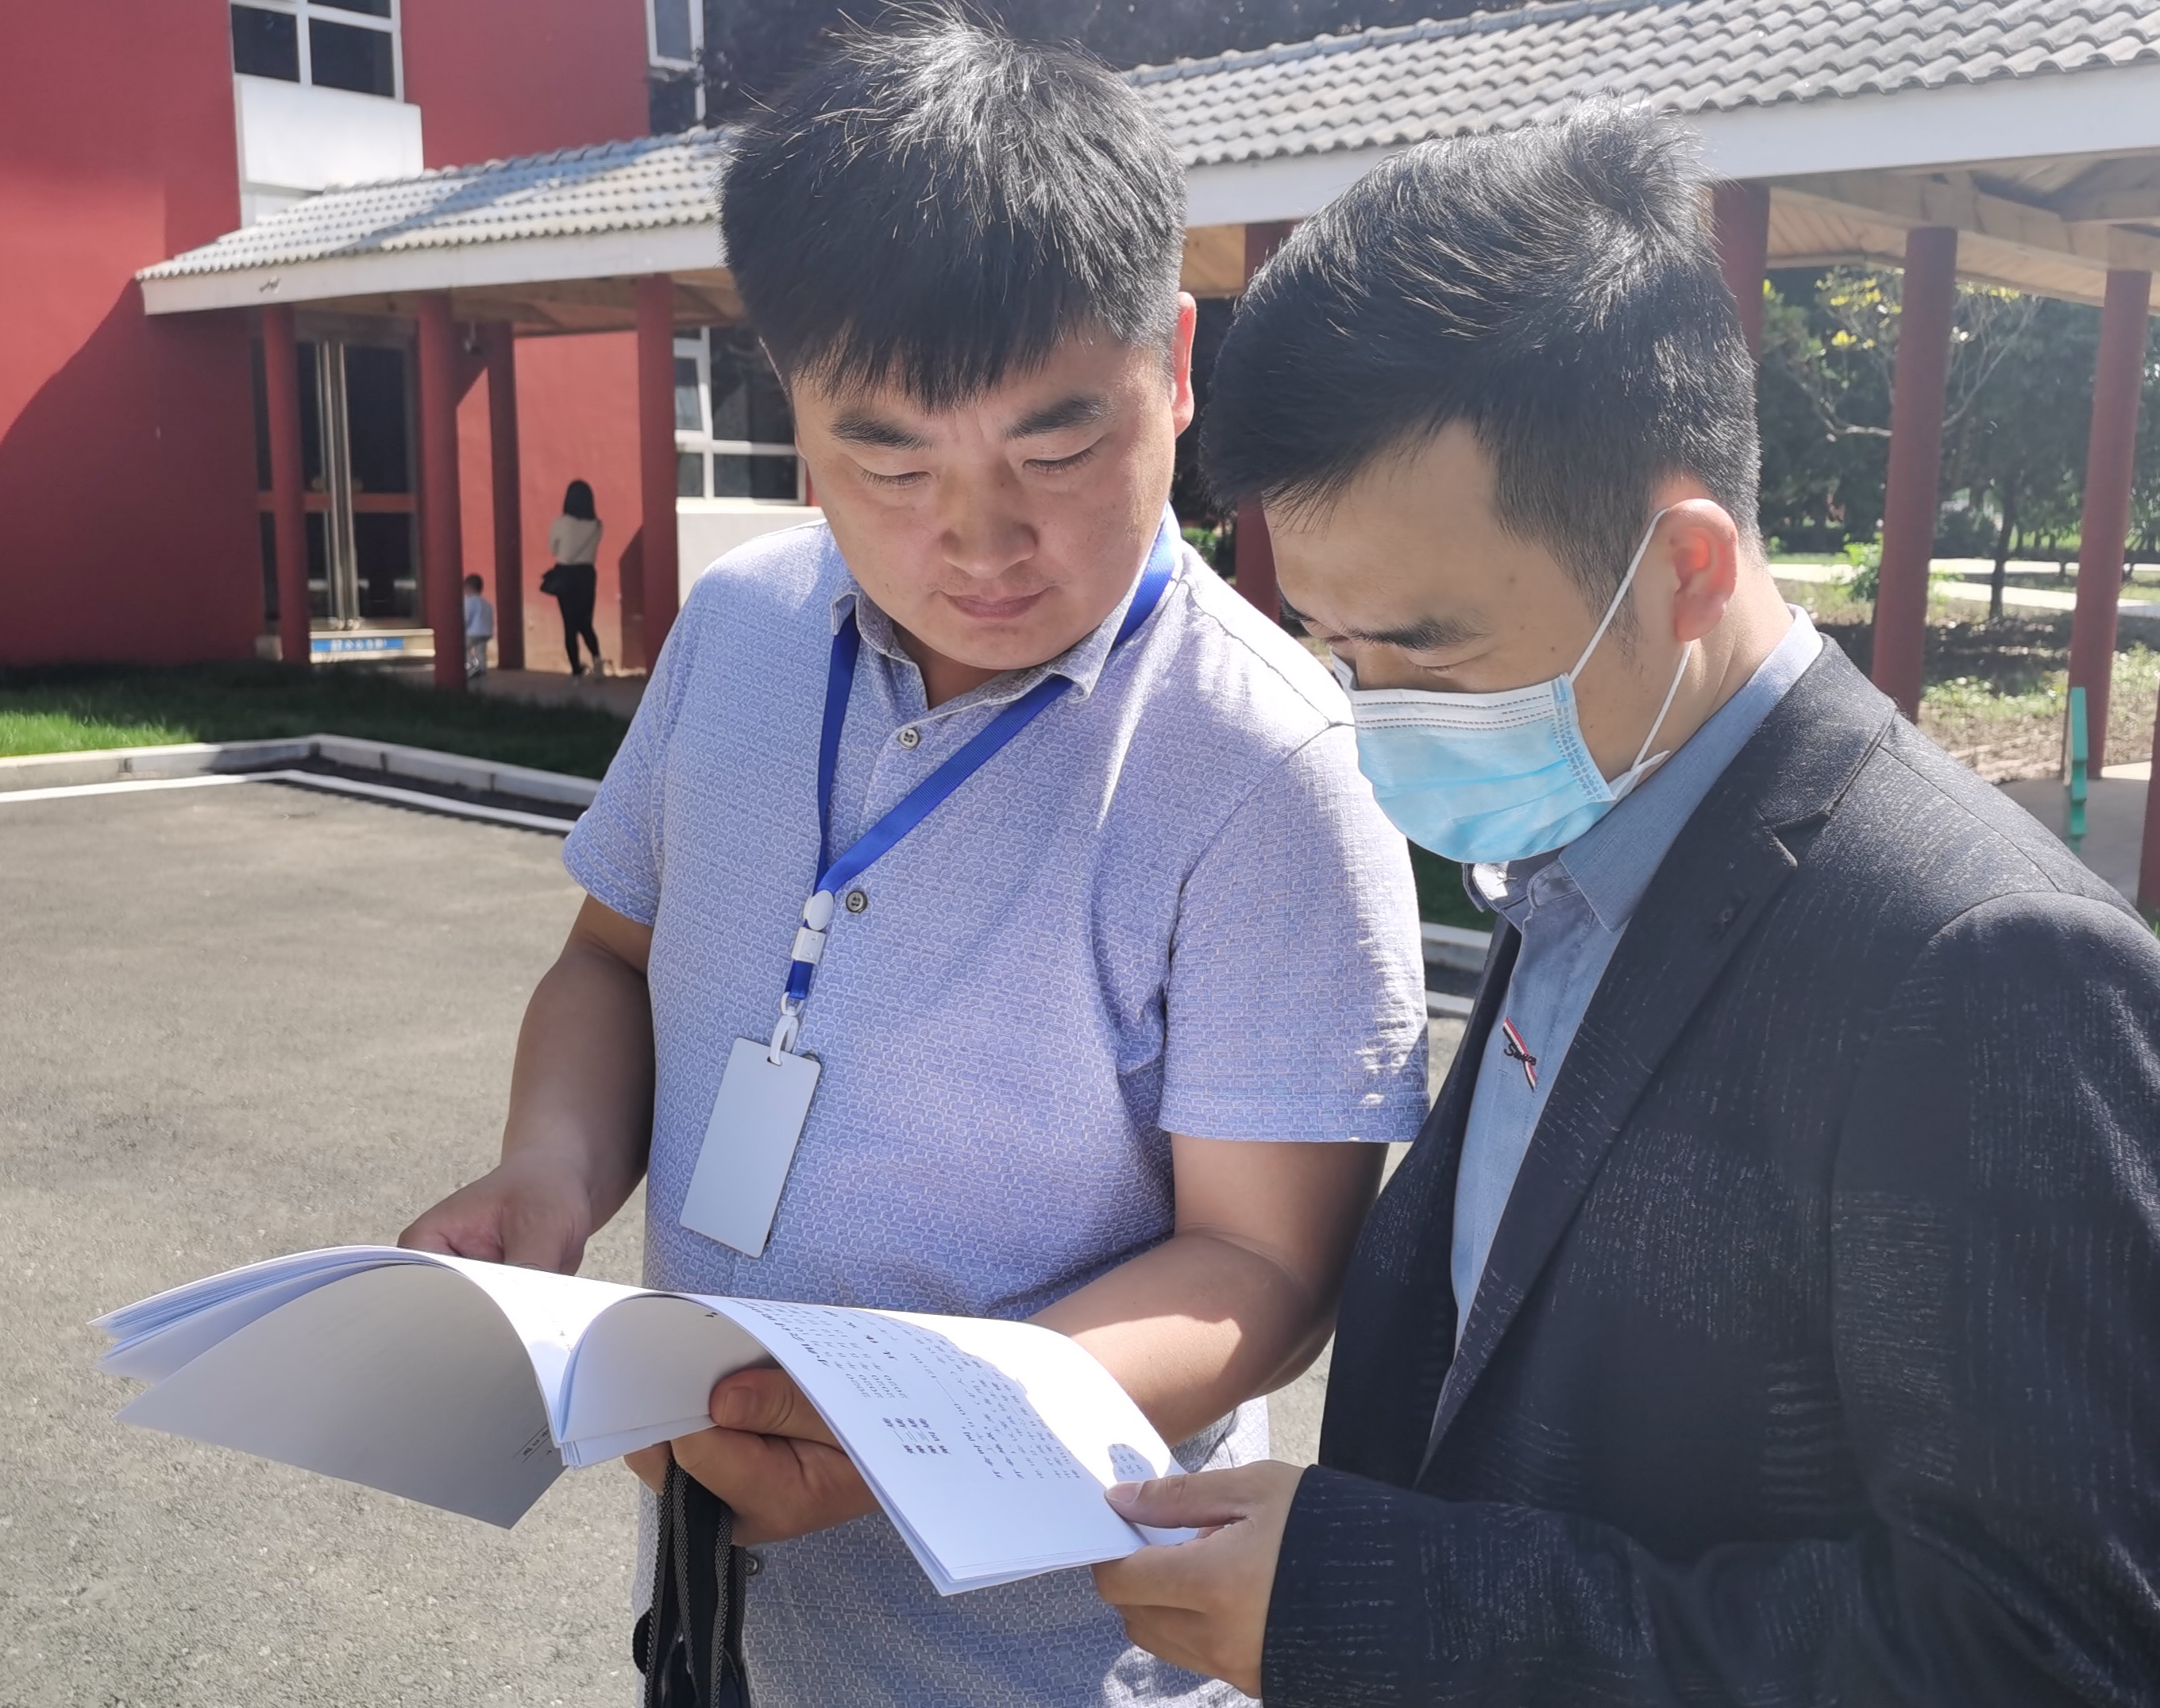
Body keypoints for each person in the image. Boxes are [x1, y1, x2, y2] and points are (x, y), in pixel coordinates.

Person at [1092, 111, 2160, 1706]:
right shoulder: (1589, 823)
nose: (1378, 716)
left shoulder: (1989, 971)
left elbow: (2079, 1663)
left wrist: (1374, 1600)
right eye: (1335, 649)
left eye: (1425, 653)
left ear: (1688, 567)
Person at [396, 17, 1425, 1708]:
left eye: (1056, 447)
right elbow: (610, 956)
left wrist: (907, 1430)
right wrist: (552, 1173)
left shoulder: (1263, 768)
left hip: (1043, 1658)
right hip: (716, 1616)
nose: (979, 540)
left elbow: (1263, 1266)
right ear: (791, 406)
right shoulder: (737, 630)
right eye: (887, 457)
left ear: (1175, 367)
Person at [542, 479, 605, 676]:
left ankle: (576, 670)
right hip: (587, 574)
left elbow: (553, 549)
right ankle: (597, 660)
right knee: (586, 621)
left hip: (565, 574)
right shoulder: (597, 525)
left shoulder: (561, 522)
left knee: (569, 625)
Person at [461, 573, 495, 679]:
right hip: (486, 632)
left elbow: (467, 617)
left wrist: (462, 628)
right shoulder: (486, 603)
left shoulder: (470, 601)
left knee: (463, 648)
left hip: (473, 631)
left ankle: (473, 666)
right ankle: (482, 669)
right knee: (481, 651)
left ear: (468, 587)